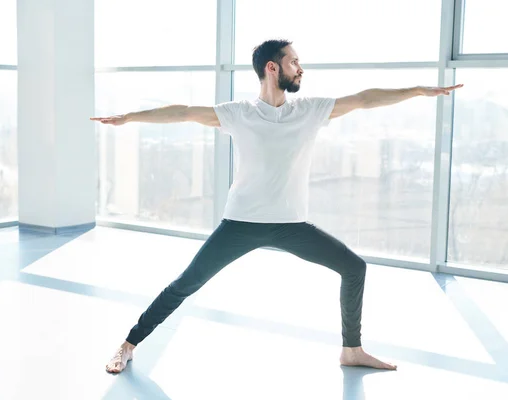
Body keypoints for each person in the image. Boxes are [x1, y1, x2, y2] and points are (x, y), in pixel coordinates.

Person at [91, 39, 463, 374]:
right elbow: (185, 111)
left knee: (354, 267)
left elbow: (365, 98)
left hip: (292, 225)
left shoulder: (310, 110)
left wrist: (417, 90)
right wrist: (129, 118)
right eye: (294, 61)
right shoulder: (239, 113)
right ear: (273, 68)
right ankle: (128, 345)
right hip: (241, 223)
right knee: (185, 284)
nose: (301, 68)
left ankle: (352, 350)